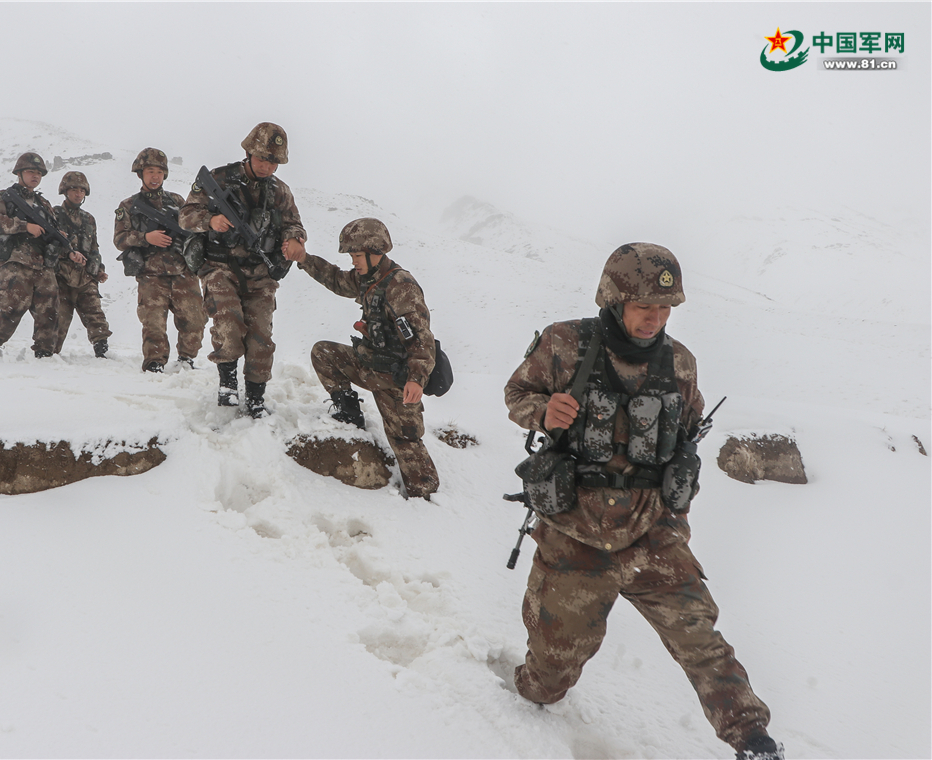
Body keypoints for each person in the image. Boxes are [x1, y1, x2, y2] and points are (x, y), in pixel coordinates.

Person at [503, 243, 782, 760]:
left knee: (701, 641)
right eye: (644, 307)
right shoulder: (564, 343)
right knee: (549, 679)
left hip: (653, 534)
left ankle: (753, 740)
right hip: (575, 534)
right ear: (614, 300)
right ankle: (531, 687)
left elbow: (686, 432)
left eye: (665, 308)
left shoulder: (680, 363)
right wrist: (543, 411)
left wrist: (676, 502)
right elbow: (517, 394)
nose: (655, 318)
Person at [286, 218, 439, 499]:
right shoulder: (367, 278)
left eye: (357, 255)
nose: (353, 262)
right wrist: (304, 259)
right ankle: (349, 413)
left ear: (375, 252)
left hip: (395, 380)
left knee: (405, 440)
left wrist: (416, 379)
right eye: (352, 256)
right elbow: (336, 279)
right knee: (324, 353)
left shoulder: (401, 287)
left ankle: (425, 498)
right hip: (369, 365)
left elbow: (421, 339)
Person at [178, 122, 306, 417]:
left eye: (273, 162)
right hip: (220, 267)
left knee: (261, 336)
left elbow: (294, 224)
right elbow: (186, 216)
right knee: (228, 322)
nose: (267, 167)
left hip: (261, 273)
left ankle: (256, 396)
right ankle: (227, 385)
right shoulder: (218, 179)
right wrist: (210, 221)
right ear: (249, 153)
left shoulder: (280, 191)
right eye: (262, 159)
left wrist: (293, 239)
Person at [0, 152, 85, 358]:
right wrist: (24, 226)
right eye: (30, 171)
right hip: (16, 261)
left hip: (43, 264)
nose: (35, 176)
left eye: (38, 173)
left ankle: (44, 352)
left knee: (50, 310)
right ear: (19, 173)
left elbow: (52, 234)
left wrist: (69, 251)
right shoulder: (6, 197)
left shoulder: (43, 204)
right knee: (13, 307)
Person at [112, 148, 205, 373]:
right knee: (153, 323)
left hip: (183, 271)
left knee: (195, 319)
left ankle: (186, 359)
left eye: (159, 172)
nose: (155, 177)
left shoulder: (177, 201)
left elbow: (192, 230)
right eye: (150, 171)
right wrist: (146, 237)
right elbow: (120, 239)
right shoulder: (128, 205)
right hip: (151, 275)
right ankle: (154, 362)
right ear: (140, 174)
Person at [52, 170, 111, 358]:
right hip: (61, 276)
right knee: (58, 322)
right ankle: (48, 359)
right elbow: (48, 245)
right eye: (74, 190)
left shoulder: (89, 219)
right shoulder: (54, 214)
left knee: (97, 318)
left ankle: (102, 354)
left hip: (85, 277)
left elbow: (94, 248)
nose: (78, 194)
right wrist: (67, 254)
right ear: (65, 191)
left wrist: (99, 270)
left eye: (82, 191)